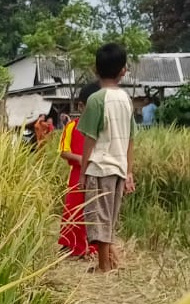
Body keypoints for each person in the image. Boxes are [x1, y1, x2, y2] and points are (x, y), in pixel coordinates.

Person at [74, 43, 134, 274]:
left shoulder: (96, 100)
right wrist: (129, 170)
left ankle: (104, 266)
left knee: (98, 216)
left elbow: (90, 138)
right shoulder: (126, 100)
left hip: (99, 167)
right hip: (119, 167)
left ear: (95, 69)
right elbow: (131, 138)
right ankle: (108, 261)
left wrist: (82, 170)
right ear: (123, 70)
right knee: (109, 217)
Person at [57, 82, 100, 258]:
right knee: (73, 209)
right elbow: (64, 152)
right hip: (76, 175)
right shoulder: (72, 126)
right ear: (81, 106)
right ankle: (72, 245)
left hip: (97, 173)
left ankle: (94, 247)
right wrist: (82, 160)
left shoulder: (101, 128)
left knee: (94, 210)